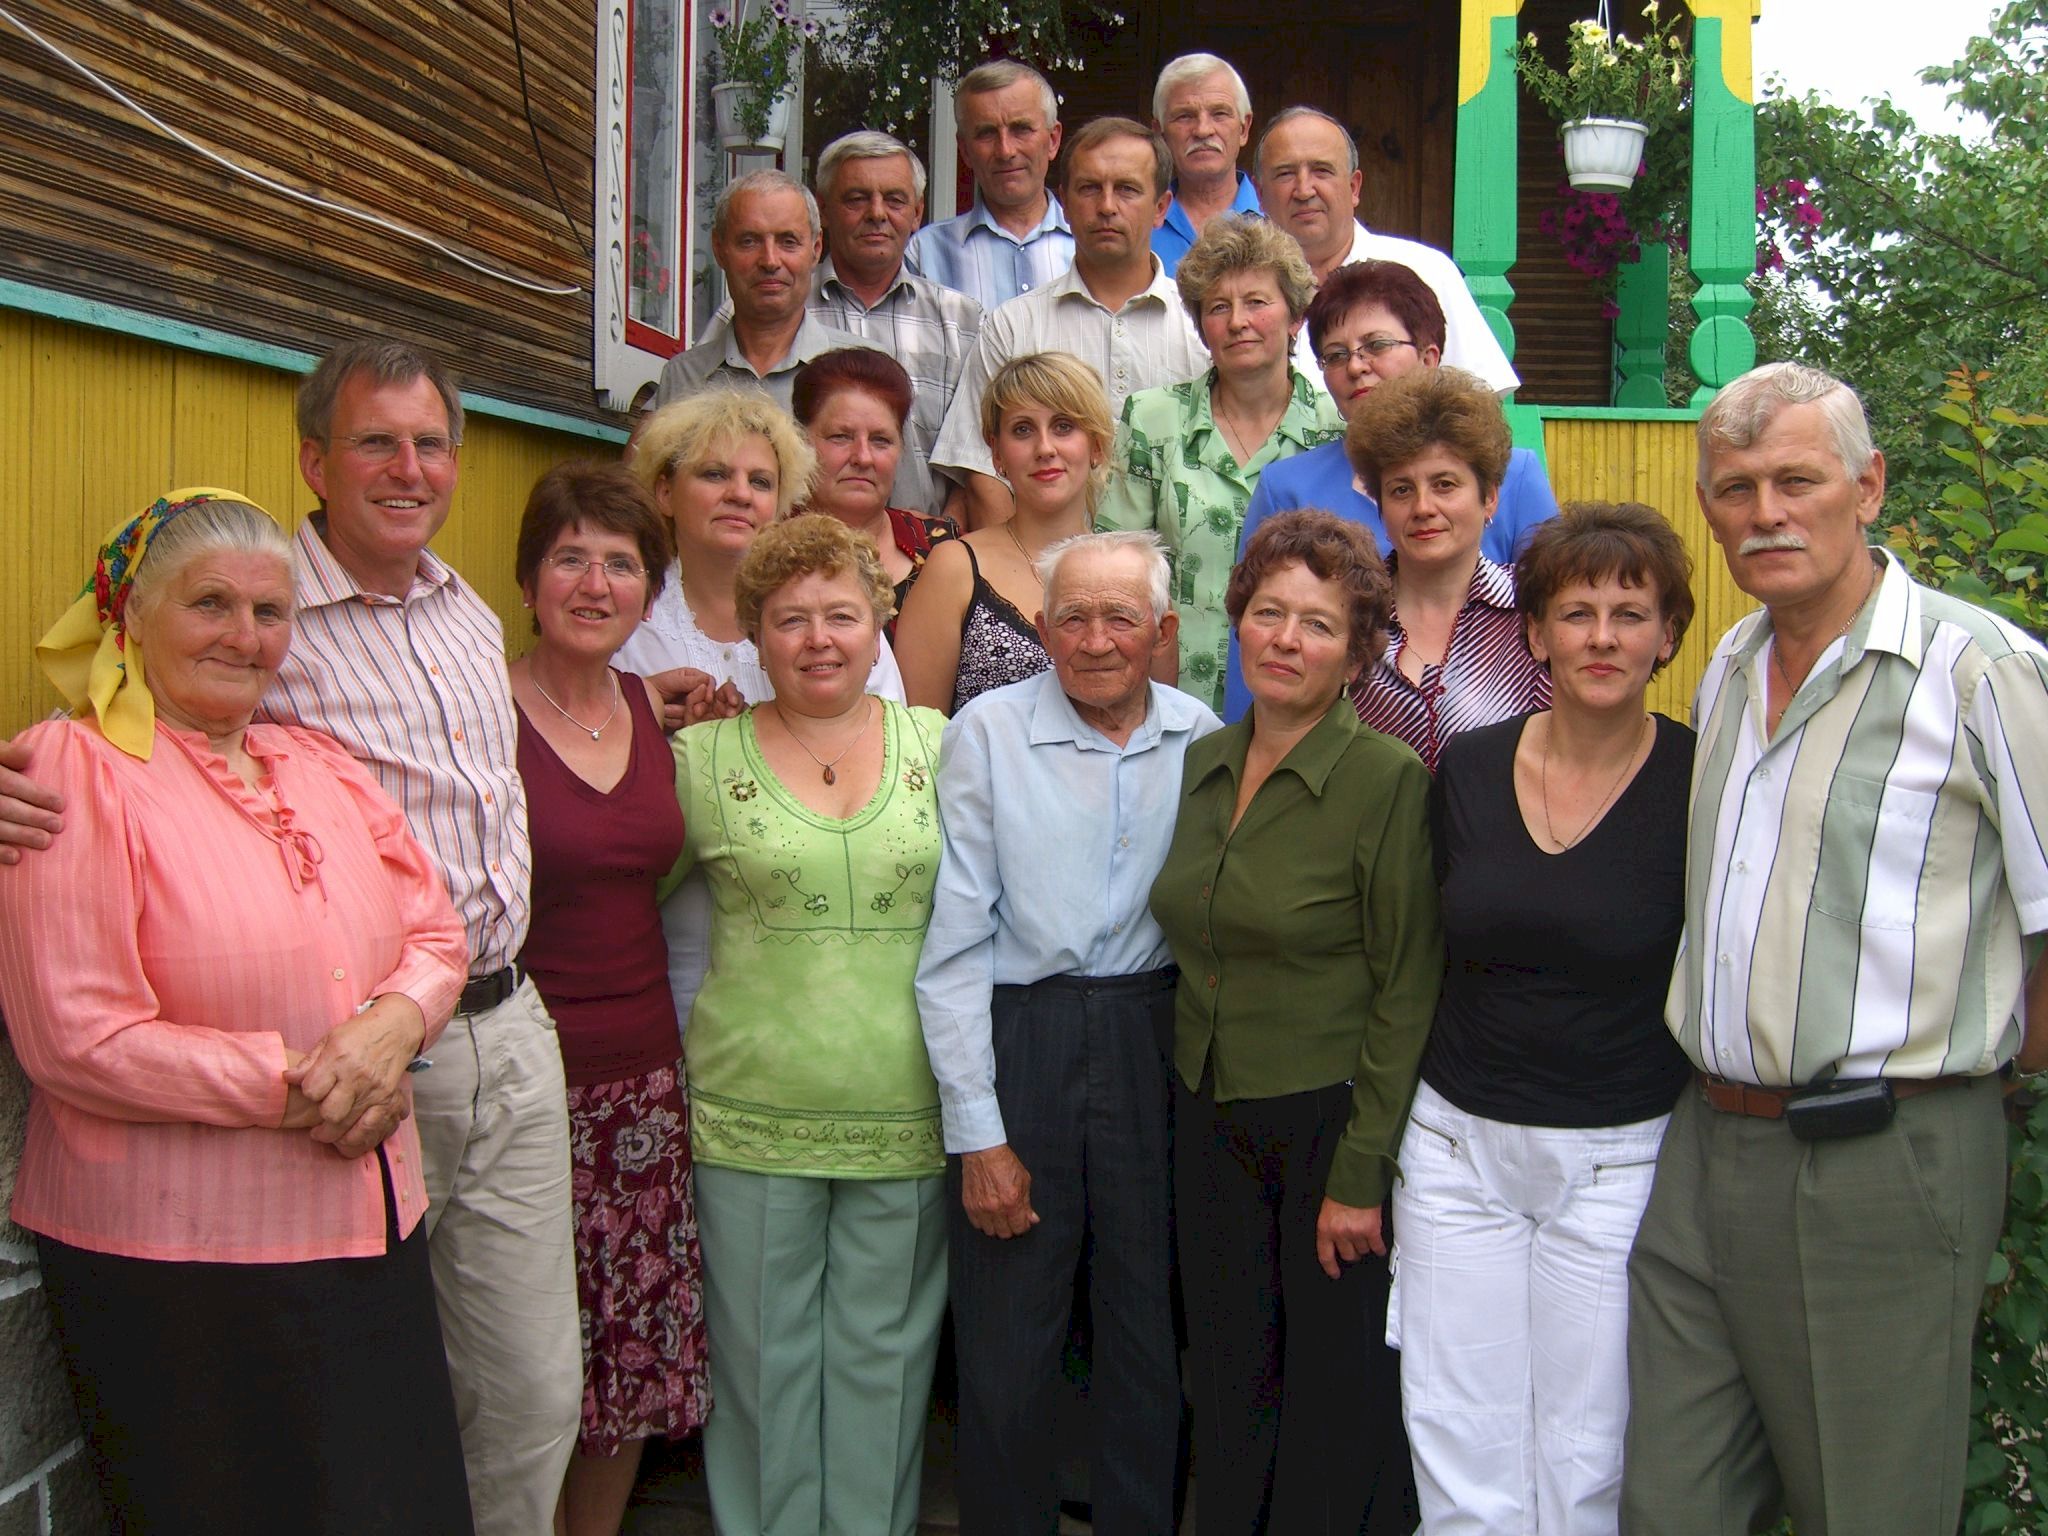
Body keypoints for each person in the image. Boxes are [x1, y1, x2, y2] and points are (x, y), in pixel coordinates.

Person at [1622, 362, 2048, 1535]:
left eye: (1794, 482)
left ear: (1865, 488)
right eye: (1734, 489)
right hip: (1703, 1146)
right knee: (1666, 1505)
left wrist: (1988, 1076)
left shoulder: (1978, 671)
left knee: (1868, 1511)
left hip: (1881, 1154)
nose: (1763, 513)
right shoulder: (1723, 667)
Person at [0, 491, 473, 1533]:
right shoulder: (73, 772)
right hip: (183, 1264)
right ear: (130, 615)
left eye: (269, 611)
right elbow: (78, 1037)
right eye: (209, 603)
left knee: (391, 1506)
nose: (245, 635)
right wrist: (306, 1087)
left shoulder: (320, 764)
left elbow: (437, 934)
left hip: (368, 1227)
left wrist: (393, 1027)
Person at [1389, 503, 1697, 1535]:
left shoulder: (1699, 783)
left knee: (1587, 1451)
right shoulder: (1469, 768)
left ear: (1667, 636)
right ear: (1533, 634)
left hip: (1615, 1159)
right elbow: (1422, 948)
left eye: (1629, 614)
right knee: (1455, 1434)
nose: (1601, 637)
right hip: (1455, 1149)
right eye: (1575, 613)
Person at [916, 530, 1219, 1536]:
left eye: (1120, 618)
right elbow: (954, 945)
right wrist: (978, 1135)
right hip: (1025, 1040)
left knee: (1144, 1328)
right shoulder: (988, 732)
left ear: (1162, 631)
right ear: (1041, 630)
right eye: (1073, 618)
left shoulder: (1201, 736)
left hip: (1151, 1039)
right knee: (1008, 1337)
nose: (1095, 641)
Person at [1154, 508, 1441, 1535]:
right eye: (1268, 612)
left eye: (1318, 624)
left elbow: (1406, 987)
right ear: (1237, 620)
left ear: (1358, 654)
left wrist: (1360, 1173)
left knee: (1329, 1391)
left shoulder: (1385, 781)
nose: (1284, 639)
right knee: (1230, 1375)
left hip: (1325, 1125)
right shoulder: (1203, 762)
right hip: (1207, 1110)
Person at [667, 516, 949, 1536]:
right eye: (790, 619)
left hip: (905, 1102)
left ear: (879, 626)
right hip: (749, 1107)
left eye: (842, 615)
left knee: (887, 1362)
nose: (818, 639)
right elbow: (620, 896)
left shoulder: (940, 744)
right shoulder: (697, 757)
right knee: (761, 1365)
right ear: (753, 634)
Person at [507, 464, 710, 1536]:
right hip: (519, 1080)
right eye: (569, 559)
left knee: (626, 1351)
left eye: (621, 564)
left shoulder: (649, 706)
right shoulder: (480, 712)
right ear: (528, 580)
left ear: (650, 590)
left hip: (643, 1080)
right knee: (520, 1361)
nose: (595, 585)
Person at [616, 388, 906, 1073]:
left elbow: (881, 754)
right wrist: (661, 735)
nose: (740, 495)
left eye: (761, 481)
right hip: (670, 932)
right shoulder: (630, 624)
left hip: (807, 942)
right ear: (665, 491)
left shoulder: (835, 620)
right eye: (715, 474)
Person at [1224, 260, 1560, 720]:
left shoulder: (1510, 473)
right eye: (1335, 355)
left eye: (1376, 345)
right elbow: (1252, 635)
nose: (1356, 366)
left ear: (1429, 356)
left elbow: (1558, 608)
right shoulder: (1287, 486)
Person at [1096, 214, 1343, 711]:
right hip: (1172, 700)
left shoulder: (1335, 429)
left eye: (1257, 302)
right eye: (1218, 307)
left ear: (1295, 318)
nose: (1237, 322)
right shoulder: (1152, 419)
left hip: (1299, 699)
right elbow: (1117, 566)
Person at [931, 117, 1209, 529]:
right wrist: (1024, 566)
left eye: (1127, 189)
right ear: (1064, 202)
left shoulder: (1200, 326)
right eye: (1089, 188)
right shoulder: (1014, 326)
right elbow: (983, 471)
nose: (1107, 206)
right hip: (1041, 566)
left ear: (1160, 208)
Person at [656, 172, 936, 515]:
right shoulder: (684, 378)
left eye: (788, 242)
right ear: (719, 249)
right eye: (749, 241)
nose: (770, 260)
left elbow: (906, 516)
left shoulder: (866, 373)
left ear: (815, 249)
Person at [1343, 367, 1552, 770]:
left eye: (1444, 484)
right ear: (1381, 507)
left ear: (1489, 497)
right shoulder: (1347, 614)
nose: (1423, 507)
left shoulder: (1537, 611)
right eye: (1401, 489)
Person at [897, 352, 1114, 714]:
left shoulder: (1131, 569)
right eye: (1022, 430)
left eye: (1063, 426)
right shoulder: (956, 568)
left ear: (1096, 446)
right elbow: (919, 729)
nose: (1045, 448)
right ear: (996, 453)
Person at [1252, 107, 1517, 395]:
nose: (1304, 190)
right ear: (1260, 194)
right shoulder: (1237, 292)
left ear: (1354, 187)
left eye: (1322, 171)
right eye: (1285, 174)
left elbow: (1480, 398)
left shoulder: (1427, 271)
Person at [810, 131, 984, 490]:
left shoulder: (963, 323)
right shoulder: (774, 315)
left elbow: (981, 463)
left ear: (917, 213)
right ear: (823, 210)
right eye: (856, 199)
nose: (877, 213)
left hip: (930, 527)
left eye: (894, 200)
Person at [791, 347, 959, 627]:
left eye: (880, 440)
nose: (863, 457)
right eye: (841, 436)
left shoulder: (943, 549)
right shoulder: (762, 550)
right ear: (800, 441)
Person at [905, 60, 1074, 312]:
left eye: (1021, 129)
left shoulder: (1092, 246)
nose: (1005, 151)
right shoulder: (926, 254)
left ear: (1053, 140)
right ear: (964, 150)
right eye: (986, 133)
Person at [1149, 53, 1262, 275]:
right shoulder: (1138, 223)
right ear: (1159, 133)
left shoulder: (1277, 216)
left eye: (1219, 114)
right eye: (1184, 116)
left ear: (1244, 129)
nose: (1203, 130)